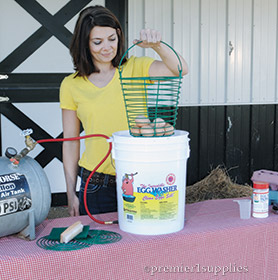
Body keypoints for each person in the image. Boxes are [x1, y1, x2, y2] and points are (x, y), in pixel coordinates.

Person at [60, 5, 188, 216]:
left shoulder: (135, 68)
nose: (107, 47)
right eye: (97, 42)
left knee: (143, 244)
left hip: (141, 179)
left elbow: (181, 69)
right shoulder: (71, 85)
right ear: (84, 44)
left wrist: (157, 46)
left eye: (112, 38)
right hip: (96, 184)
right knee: (101, 247)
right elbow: (70, 142)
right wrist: (70, 192)